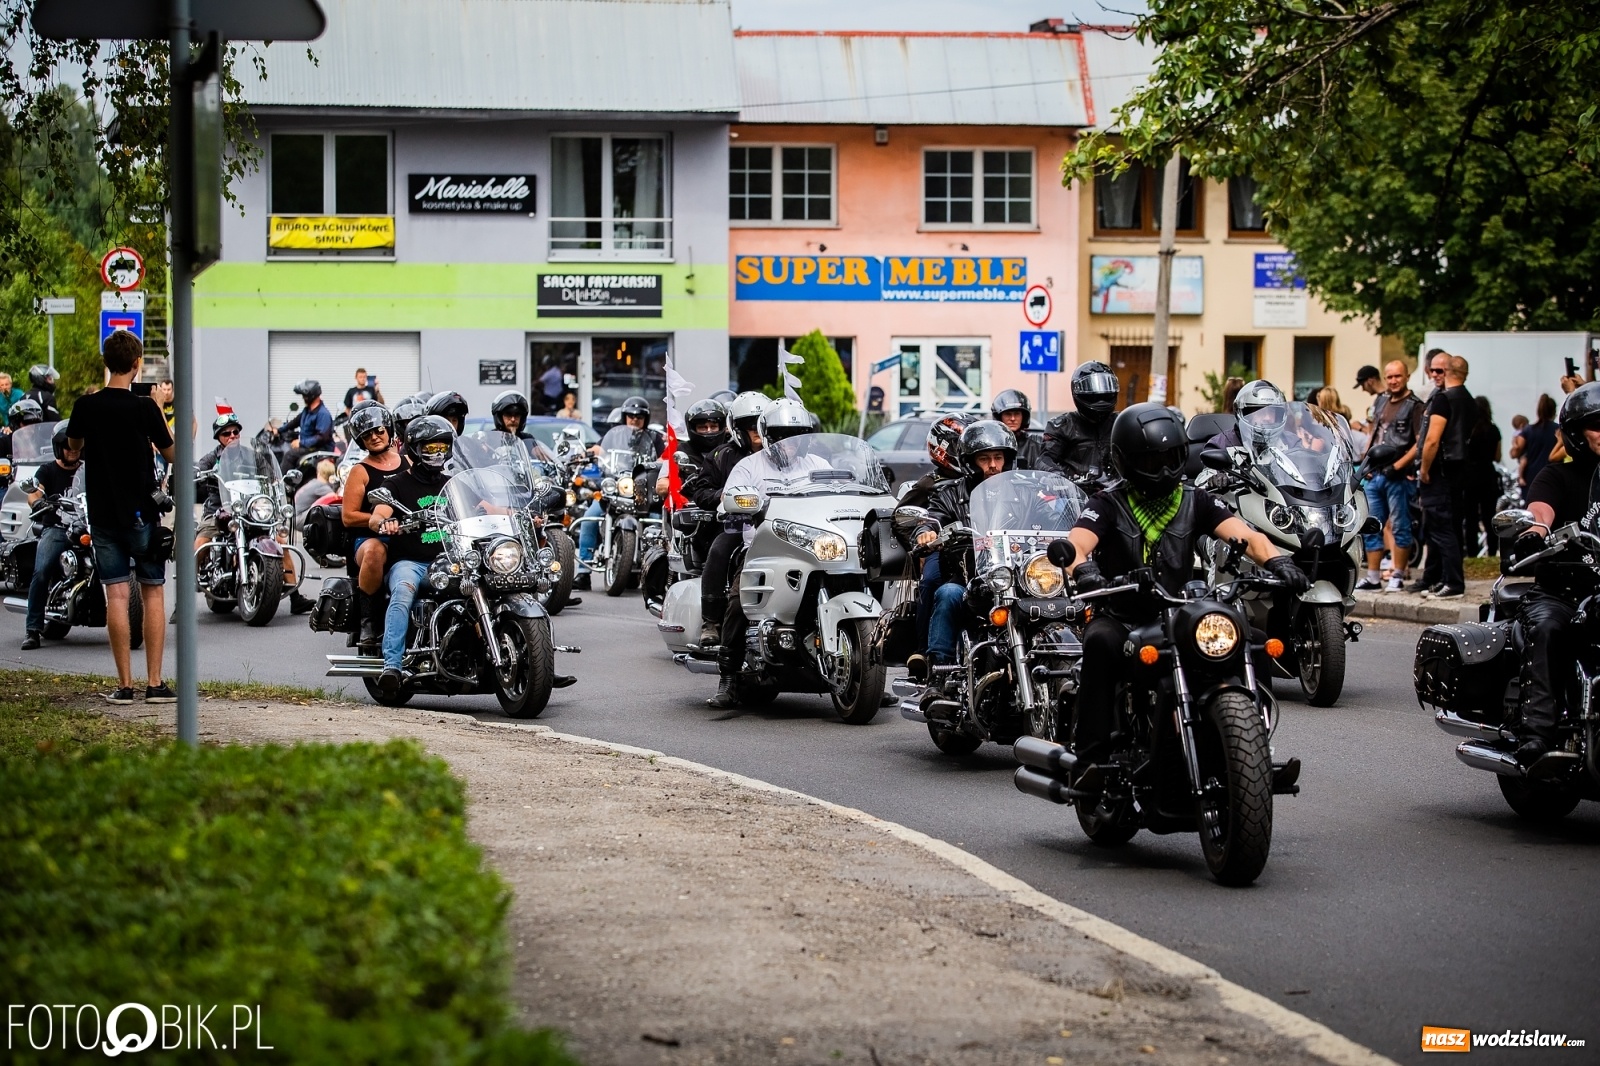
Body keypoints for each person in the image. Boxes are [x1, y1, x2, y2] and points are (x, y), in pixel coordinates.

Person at [1059, 403, 1308, 781]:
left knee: (1252, 641)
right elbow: (1076, 545)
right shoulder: (1107, 502)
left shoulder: (1195, 499)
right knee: (1099, 643)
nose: (1163, 470)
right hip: (1124, 615)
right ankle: (1090, 761)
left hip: (1180, 613)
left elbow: (1248, 537)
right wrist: (1086, 571)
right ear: (1127, 461)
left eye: (1171, 458)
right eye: (1152, 460)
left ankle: (1254, 747)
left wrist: (1280, 563)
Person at [64, 330, 176, 704]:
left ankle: (125, 686)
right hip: (142, 513)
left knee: (116, 594)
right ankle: (155, 683)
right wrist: (157, 408)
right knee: (153, 592)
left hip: (103, 515)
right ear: (136, 364)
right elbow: (172, 453)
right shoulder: (144, 408)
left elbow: (73, 446)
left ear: (106, 362)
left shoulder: (85, 406)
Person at [707, 399, 826, 708]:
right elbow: (727, 501)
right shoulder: (749, 467)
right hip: (764, 549)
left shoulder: (818, 466)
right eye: (782, 435)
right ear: (768, 436)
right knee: (739, 600)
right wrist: (737, 505)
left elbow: (844, 493)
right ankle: (728, 677)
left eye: (796, 436)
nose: (789, 443)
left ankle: (865, 672)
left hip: (813, 548)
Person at [1505, 382, 1600, 767]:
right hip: (1562, 590)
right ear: (1576, 434)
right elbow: (1541, 511)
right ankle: (1537, 734)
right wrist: (1535, 531)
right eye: (1596, 426)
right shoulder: (1557, 476)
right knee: (1547, 628)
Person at [906, 419, 1018, 703]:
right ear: (970, 462)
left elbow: (1049, 513)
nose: (993, 465)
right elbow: (932, 518)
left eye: (998, 457)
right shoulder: (951, 492)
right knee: (946, 593)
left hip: (1016, 581)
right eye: (984, 459)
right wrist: (926, 531)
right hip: (970, 579)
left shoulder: (1021, 493)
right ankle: (938, 674)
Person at [366, 414, 452, 696]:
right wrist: (384, 522)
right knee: (403, 591)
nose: (437, 453)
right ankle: (391, 666)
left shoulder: (452, 484)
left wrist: (516, 513)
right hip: (411, 564)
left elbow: (483, 506)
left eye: (442, 447)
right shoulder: (397, 484)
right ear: (415, 449)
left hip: (449, 562)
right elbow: (377, 514)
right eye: (430, 447)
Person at [899, 412, 976, 682]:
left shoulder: (984, 479)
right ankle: (923, 651)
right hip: (944, 550)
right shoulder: (930, 483)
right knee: (932, 580)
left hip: (982, 549)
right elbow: (901, 519)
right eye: (960, 445)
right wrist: (924, 541)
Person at [686, 393, 765, 645]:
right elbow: (700, 492)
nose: (756, 430)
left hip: (778, 523)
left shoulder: (781, 455)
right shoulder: (721, 455)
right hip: (738, 524)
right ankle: (711, 621)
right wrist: (722, 496)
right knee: (719, 550)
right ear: (737, 428)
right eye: (749, 425)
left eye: (760, 423)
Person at [578, 395, 664, 582]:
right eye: (631, 416)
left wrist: (663, 461)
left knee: (657, 521)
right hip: (615, 487)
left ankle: (655, 570)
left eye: (639, 417)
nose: (634, 420)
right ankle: (583, 571)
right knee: (589, 518)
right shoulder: (615, 435)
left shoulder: (654, 438)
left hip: (641, 491)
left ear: (645, 419)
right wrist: (585, 454)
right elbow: (598, 450)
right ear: (625, 417)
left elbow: (663, 457)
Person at [342, 403, 406, 650]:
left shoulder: (408, 462)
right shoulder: (360, 471)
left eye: (379, 430)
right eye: (367, 434)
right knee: (374, 552)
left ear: (388, 430)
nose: (375, 437)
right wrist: (378, 520)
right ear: (360, 440)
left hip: (408, 534)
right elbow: (348, 517)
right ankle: (368, 621)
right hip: (370, 537)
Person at [1358, 360, 1423, 592]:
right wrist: (1365, 461)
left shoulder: (1415, 406)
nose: (1394, 381)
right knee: (1371, 525)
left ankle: (1398, 574)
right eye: (1390, 377)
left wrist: (1398, 466)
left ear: (1406, 377)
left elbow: (1419, 443)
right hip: (1374, 473)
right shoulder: (1381, 400)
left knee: (1400, 525)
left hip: (1398, 475)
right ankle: (1373, 576)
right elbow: (1373, 432)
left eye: (1398, 376)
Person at [1416, 355, 1474, 598]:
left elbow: (1432, 440)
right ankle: (1444, 579)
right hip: (1458, 471)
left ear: (1448, 371)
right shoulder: (1469, 399)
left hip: (1439, 471)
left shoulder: (1443, 399)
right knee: (1451, 526)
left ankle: (1452, 582)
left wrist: (1424, 469)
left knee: (1441, 528)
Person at [20, 423, 82, 649]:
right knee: (42, 570)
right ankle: (33, 630)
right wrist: (37, 502)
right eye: (67, 447)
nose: (72, 451)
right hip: (57, 528)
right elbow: (34, 492)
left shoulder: (87, 470)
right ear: (58, 448)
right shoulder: (47, 470)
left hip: (86, 528)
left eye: (75, 447)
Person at [1038, 362, 1119, 486]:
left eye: (1105, 394)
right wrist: (1057, 477)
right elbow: (1045, 459)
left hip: (1116, 491)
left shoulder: (1120, 423)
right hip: (1075, 492)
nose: (1100, 398)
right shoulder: (1063, 426)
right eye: (1094, 396)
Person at [192, 413, 245, 556]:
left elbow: (269, 474)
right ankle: (191, 571)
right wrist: (195, 474)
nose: (232, 436)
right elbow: (198, 469)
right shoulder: (211, 458)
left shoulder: (251, 456)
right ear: (218, 437)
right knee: (200, 545)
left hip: (247, 511)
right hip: (218, 511)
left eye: (235, 432)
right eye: (226, 433)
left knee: (279, 543)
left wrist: (277, 481)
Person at [1465, 396, 1503, 557]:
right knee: (1489, 516)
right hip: (1488, 474)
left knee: (1471, 517)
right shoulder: (1494, 429)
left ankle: (1472, 552)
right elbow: (1498, 457)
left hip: (1470, 475)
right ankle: (1492, 551)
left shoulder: (1468, 430)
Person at [1210, 379, 1286, 451]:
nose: (1268, 418)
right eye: (1261, 411)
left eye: (1272, 411)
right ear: (1246, 413)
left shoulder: (1289, 441)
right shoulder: (1220, 445)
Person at [1512, 393, 1558, 502]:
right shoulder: (1559, 430)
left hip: (1530, 479)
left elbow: (1515, 453)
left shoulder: (1528, 430)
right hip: (1552, 478)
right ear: (1554, 411)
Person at [990, 389, 1042, 469]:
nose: (1013, 418)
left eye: (1017, 414)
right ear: (999, 417)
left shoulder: (1036, 444)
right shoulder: (991, 444)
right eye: (1008, 414)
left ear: (1024, 417)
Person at [288, 379, 333, 461]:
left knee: (289, 455)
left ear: (311, 395)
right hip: (309, 448)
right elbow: (293, 422)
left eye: (304, 396)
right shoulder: (307, 411)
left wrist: (301, 443)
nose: (303, 398)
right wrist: (278, 430)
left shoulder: (323, 414)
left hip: (319, 450)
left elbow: (321, 437)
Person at [1352, 364, 1383, 429]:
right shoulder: (1379, 399)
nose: (1363, 389)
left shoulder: (1386, 400)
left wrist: (1360, 428)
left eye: (1363, 385)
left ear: (1370, 381)